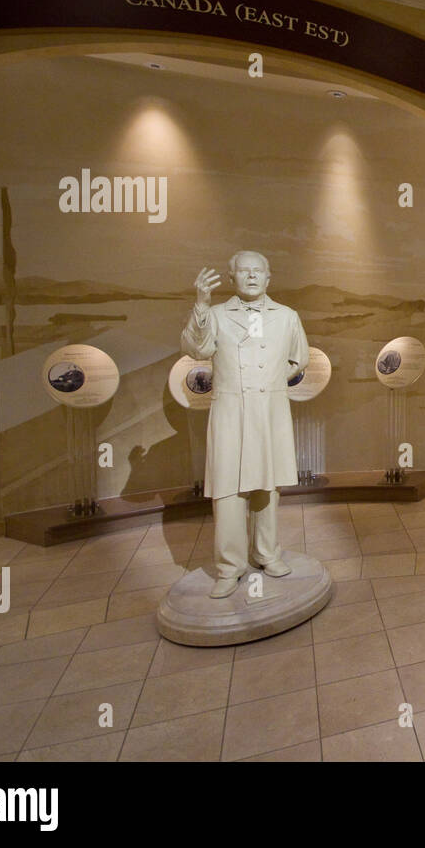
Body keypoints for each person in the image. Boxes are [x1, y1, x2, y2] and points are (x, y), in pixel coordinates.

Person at [181, 251, 309, 598]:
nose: (251, 277)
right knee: (227, 488)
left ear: (268, 278)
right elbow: (196, 348)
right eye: (244, 271)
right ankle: (229, 566)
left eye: (258, 271)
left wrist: (269, 382)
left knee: (268, 485)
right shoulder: (217, 315)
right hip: (230, 412)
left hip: (270, 410)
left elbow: (299, 358)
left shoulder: (287, 316)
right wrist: (201, 305)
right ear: (232, 277)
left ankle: (267, 553)